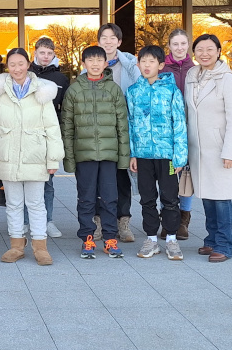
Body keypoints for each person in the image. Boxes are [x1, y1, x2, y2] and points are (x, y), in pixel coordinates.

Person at [0, 49, 64, 266]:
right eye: (12, 64)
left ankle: (40, 247)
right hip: (8, 155)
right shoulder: (1, 92)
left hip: (35, 154)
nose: (17, 69)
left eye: (20, 63)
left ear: (28, 64)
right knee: (13, 204)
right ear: (7, 67)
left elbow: (52, 127)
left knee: (36, 204)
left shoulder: (41, 91)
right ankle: (16, 245)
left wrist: (53, 160)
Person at [63, 45, 130, 260]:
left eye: (98, 60)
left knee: (110, 198)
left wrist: (124, 158)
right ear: (83, 64)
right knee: (86, 199)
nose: (94, 64)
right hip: (85, 156)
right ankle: (88, 238)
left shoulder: (113, 90)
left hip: (110, 156)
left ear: (105, 63)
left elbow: (122, 125)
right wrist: (69, 160)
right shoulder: (74, 90)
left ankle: (110, 239)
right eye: (89, 60)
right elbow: (67, 127)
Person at [185, 34, 232, 263]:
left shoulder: (229, 80)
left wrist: (230, 151)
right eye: (200, 49)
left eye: (210, 49)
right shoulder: (192, 75)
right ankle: (211, 239)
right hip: (198, 148)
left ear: (219, 51)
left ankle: (224, 244)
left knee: (221, 197)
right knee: (207, 195)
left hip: (219, 147)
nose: (204, 53)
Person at [126, 45, 188, 261]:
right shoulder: (133, 91)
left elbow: (179, 122)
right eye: (143, 61)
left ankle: (171, 238)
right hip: (143, 156)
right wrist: (132, 154)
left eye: (151, 61)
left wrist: (180, 156)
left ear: (161, 65)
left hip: (167, 155)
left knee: (170, 198)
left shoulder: (171, 90)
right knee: (147, 198)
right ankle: (151, 237)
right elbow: (130, 124)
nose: (146, 65)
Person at [92, 23, 139, 244]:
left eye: (112, 38)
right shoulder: (90, 65)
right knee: (99, 179)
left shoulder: (130, 65)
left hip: (123, 130)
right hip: (99, 132)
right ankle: (100, 222)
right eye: (104, 37)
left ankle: (123, 222)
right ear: (99, 41)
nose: (108, 41)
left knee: (122, 178)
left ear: (119, 42)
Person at [28, 36, 70, 239]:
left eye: (49, 53)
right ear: (34, 52)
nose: (45, 57)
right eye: (42, 52)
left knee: (47, 181)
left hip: (48, 135)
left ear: (54, 55)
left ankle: (48, 220)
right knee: (26, 180)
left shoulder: (61, 79)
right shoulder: (24, 73)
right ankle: (27, 222)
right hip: (25, 134)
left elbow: (64, 110)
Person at [164, 28, 195, 240]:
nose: (179, 48)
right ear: (169, 46)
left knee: (186, 175)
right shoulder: (162, 68)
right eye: (175, 44)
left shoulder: (196, 68)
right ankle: (168, 218)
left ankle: (183, 220)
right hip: (167, 130)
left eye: (183, 44)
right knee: (167, 176)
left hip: (191, 128)